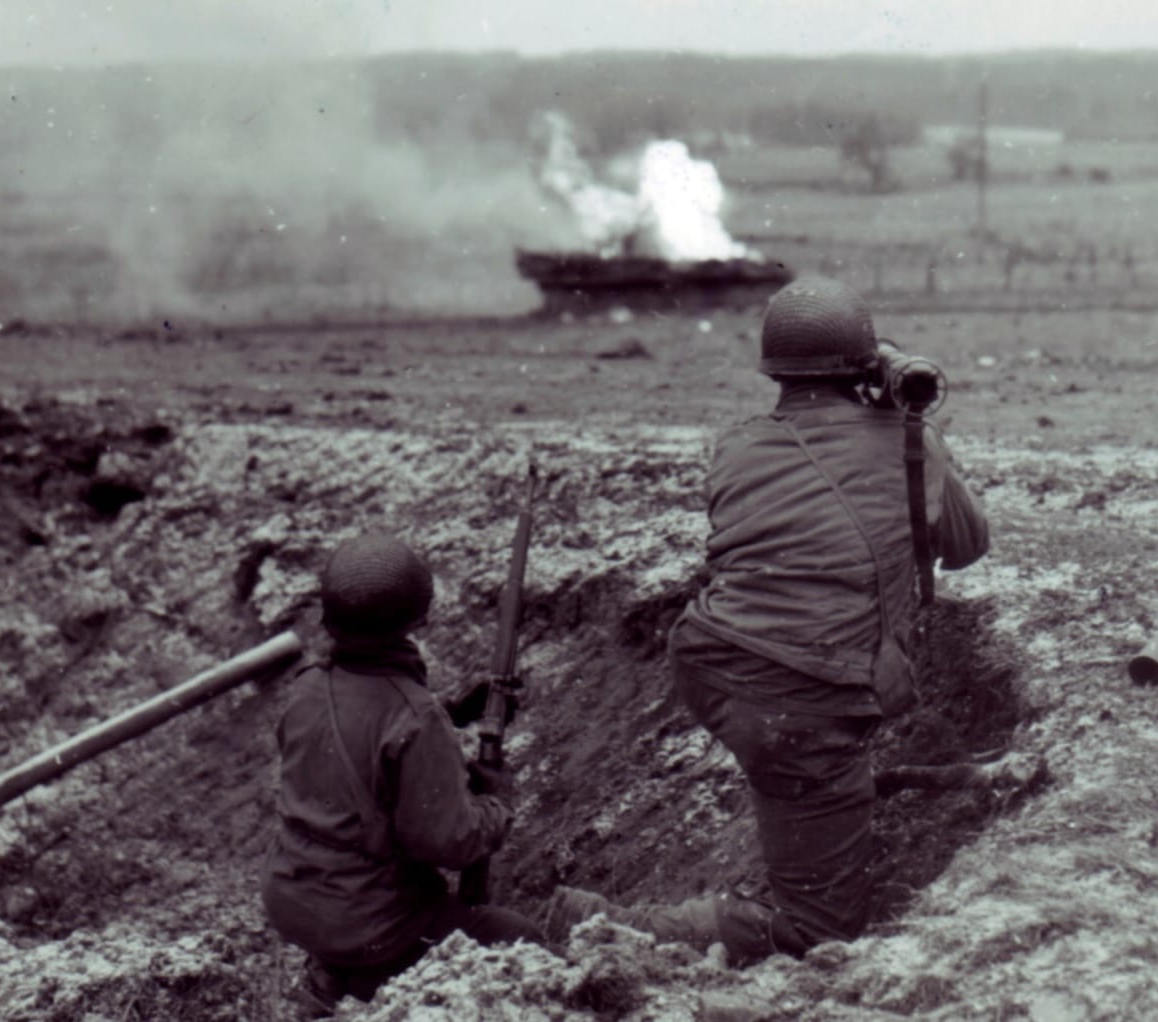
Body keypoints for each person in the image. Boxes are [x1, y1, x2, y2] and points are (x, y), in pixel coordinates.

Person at [544, 276, 990, 965]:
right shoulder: (908, 444)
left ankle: (821, 813)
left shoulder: (736, 445)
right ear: (867, 365)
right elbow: (967, 546)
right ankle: (603, 925)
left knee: (798, 774)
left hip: (713, 663)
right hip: (801, 698)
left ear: (774, 369)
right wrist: (916, 432)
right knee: (820, 932)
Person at [261, 533, 544, 1017]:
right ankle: (369, 977)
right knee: (522, 944)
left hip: (295, 902)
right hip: (374, 926)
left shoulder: (307, 688)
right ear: (419, 618)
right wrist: (497, 803)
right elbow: (450, 844)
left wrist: (448, 711)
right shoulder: (413, 717)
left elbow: (361, 741)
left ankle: (337, 974)